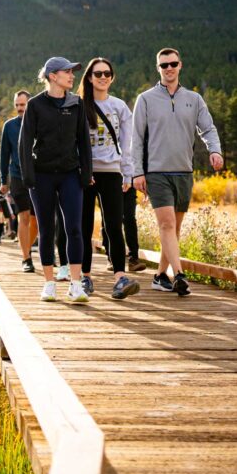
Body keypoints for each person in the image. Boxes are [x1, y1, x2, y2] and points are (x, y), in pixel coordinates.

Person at [132, 47, 223, 297]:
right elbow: (136, 139)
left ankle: (160, 275)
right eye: (164, 65)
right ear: (158, 68)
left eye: (173, 64)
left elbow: (208, 129)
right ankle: (179, 275)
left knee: (174, 229)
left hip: (184, 172)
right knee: (167, 224)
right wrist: (137, 172)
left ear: (180, 65)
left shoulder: (194, 99)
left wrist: (215, 151)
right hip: (156, 173)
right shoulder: (146, 99)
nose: (169, 68)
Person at [18, 57, 92, 303]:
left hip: (71, 174)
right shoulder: (36, 105)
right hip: (42, 176)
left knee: (74, 228)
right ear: (52, 76)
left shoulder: (77, 104)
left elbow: (83, 141)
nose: (72, 76)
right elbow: (25, 142)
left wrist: (86, 173)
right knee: (47, 228)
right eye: (67, 72)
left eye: (73, 72)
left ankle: (75, 284)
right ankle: (49, 283)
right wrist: (28, 177)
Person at [76, 57, 139, 300]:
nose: (103, 77)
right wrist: (84, 169)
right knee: (83, 226)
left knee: (114, 225)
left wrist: (128, 173)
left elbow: (127, 142)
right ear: (89, 77)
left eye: (107, 73)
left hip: (112, 172)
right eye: (98, 73)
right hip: (85, 174)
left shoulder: (120, 106)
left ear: (112, 77)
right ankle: (85, 277)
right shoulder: (79, 106)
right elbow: (74, 142)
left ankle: (120, 278)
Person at [0, 90, 39, 272]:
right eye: (17, 105)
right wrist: (3, 180)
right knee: (23, 216)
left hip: (39, 176)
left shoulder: (39, 122)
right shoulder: (9, 126)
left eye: (22, 105)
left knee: (36, 219)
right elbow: (4, 155)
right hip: (17, 177)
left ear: (29, 104)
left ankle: (27, 248)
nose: (19, 108)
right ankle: (26, 258)